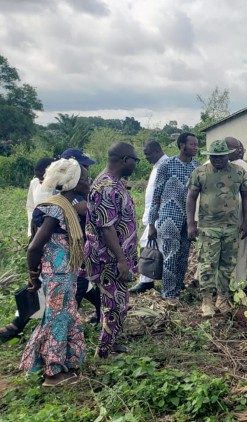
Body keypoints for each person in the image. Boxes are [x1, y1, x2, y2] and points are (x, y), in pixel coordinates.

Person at [20, 158, 89, 386]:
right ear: (73, 182)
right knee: (57, 321)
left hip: (65, 274)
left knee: (62, 317)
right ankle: (53, 374)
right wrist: (32, 275)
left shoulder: (66, 206)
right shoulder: (57, 209)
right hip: (57, 275)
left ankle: (58, 364)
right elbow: (34, 246)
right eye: (85, 178)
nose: (88, 182)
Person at [85, 142, 138, 358]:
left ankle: (112, 343)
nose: (136, 164)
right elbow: (107, 229)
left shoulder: (114, 184)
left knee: (119, 302)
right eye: (135, 159)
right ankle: (104, 353)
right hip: (109, 258)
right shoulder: (106, 187)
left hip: (115, 257)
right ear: (125, 160)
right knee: (114, 306)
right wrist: (121, 260)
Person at [186, 139, 247, 317]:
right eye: (214, 157)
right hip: (208, 227)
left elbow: (246, 195)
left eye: (221, 157)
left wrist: (245, 222)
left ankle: (222, 298)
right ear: (210, 157)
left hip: (231, 227)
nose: (218, 160)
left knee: (227, 264)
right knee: (207, 264)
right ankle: (207, 300)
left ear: (227, 156)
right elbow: (191, 197)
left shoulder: (239, 172)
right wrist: (191, 223)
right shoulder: (200, 172)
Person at [148, 132, 199, 301]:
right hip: (169, 216)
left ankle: (177, 289)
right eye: (192, 144)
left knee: (184, 256)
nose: (195, 147)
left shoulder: (196, 168)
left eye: (196, 144)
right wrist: (151, 223)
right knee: (171, 255)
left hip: (188, 219)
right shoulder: (167, 165)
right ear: (182, 145)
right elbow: (156, 195)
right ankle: (168, 294)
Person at [129, 140, 169, 294]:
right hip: (153, 215)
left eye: (147, 154)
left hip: (160, 216)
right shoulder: (157, 166)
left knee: (152, 246)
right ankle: (150, 279)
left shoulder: (165, 165)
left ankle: (148, 281)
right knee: (154, 246)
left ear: (156, 151)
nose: (145, 157)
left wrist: (153, 221)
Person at [225, 137, 247, 287]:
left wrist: (246, 219)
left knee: (239, 251)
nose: (240, 151)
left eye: (240, 148)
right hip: (224, 220)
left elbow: (246, 194)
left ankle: (237, 285)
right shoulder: (240, 165)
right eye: (237, 148)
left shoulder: (240, 165)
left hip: (238, 217)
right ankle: (236, 284)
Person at [25, 158, 55, 237]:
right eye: (38, 178)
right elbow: (30, 207)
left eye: (42, 178)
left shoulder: (60, 187)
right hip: (37, 230)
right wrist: (31, 230)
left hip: (55, 232)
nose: (40, 182)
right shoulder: (34, 183)